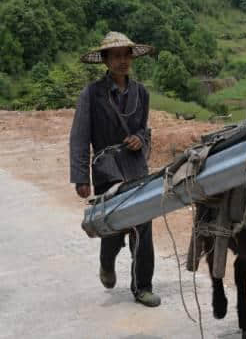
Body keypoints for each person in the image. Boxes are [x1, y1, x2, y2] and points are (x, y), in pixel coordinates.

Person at [69, 31, 160, 307]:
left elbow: (144, 129)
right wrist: (81, 177)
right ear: (106, 61)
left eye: (126, 55)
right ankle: (107, 261)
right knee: (114, 225)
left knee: (143, 223)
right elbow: (80, 136)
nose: (122, 61)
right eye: (116, 56)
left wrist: (140, 139)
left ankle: (142, 286)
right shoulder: (92, 94)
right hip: (107, 169)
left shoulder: (141, 93)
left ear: (132, 58)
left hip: (135, 166)